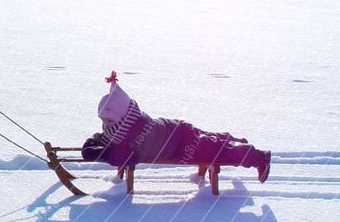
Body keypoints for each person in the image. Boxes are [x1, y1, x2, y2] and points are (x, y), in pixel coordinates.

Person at [81, 71, 271, 182]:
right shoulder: (129, 124)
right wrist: (96, 142)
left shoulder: (135, 136)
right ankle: (233, 141)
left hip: (184, 145)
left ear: (121, 119)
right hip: (177, 130)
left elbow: (125, 156)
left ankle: (259, 157)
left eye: (107, 122)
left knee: (217, 151)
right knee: (211, 142)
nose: (104, 126)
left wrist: (99, 152)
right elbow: (111, 141)